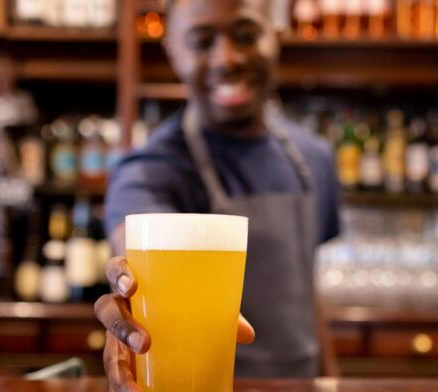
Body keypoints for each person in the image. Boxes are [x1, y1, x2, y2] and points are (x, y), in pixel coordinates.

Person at [93, 0, 341, 390]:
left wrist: (332, 380)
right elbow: (133, 244)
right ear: (173, 51)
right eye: (201, 41)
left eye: (246, 35)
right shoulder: (152, 168)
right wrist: (131, 295)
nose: (227, 58)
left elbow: (308, 289)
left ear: (275, 36)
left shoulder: (314, 158)